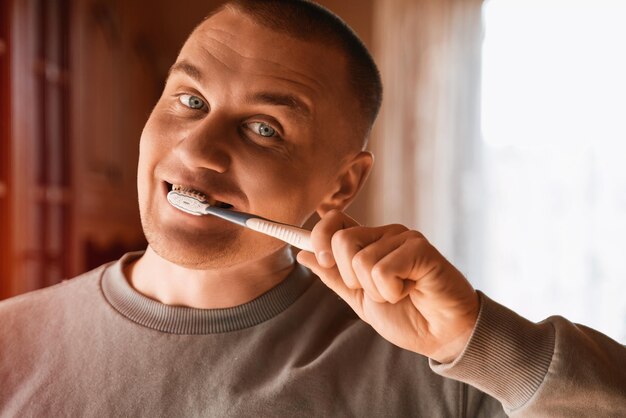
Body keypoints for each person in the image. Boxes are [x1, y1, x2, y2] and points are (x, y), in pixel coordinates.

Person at [1, 0, 625, 416]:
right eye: (189, 101)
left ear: (341, 187)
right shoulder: (10, 346)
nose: (199, 148)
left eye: (264, 128)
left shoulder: (440, 371)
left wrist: (483, 339)